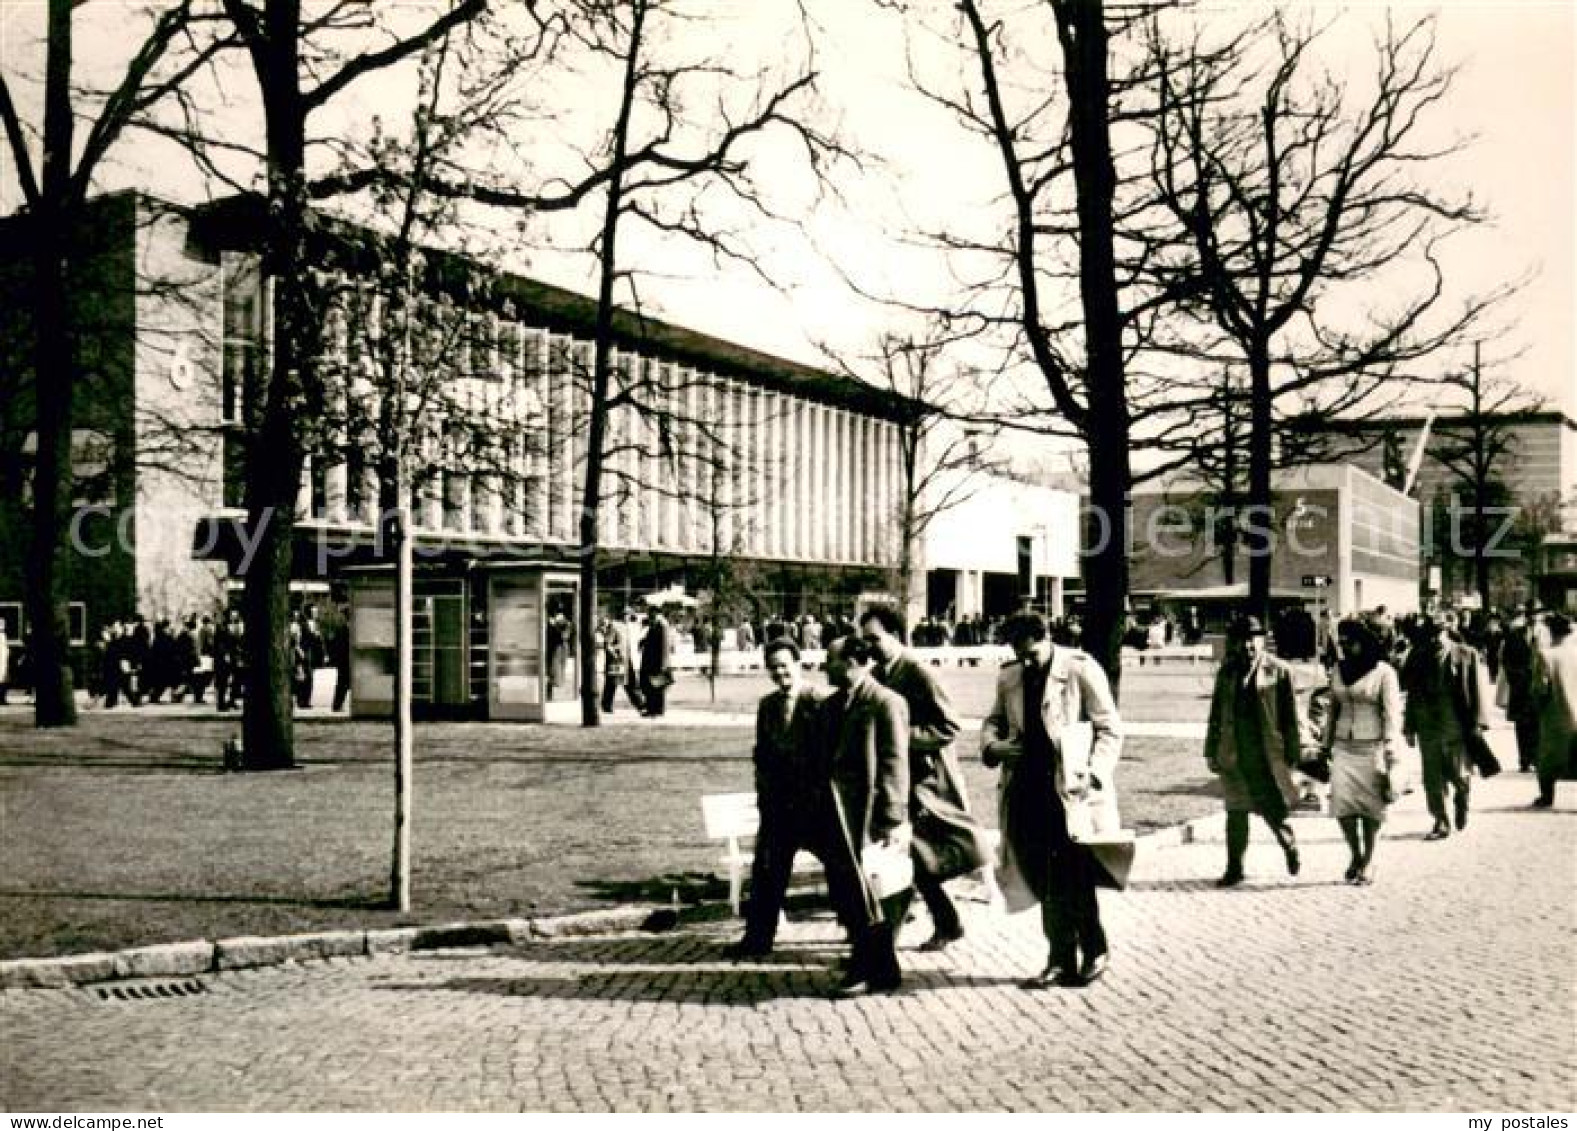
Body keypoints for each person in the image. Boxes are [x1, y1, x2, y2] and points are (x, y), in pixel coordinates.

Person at [982, 611, 1122, 989]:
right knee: (1043, 878)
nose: (1026, 661)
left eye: (1031, 653)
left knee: (1075, 873)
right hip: (1027, 789)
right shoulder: (1010, 675)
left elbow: (1109, 727)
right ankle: (1059, 957)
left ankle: (1095, 949)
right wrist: (994, 746)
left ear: (1045, 639)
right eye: (1018, 652)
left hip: (1070, 791)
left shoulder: (1079, 668)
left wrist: (1094, 772)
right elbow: (994, 720)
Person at [858, 604, 991, 952]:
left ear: (895, 635)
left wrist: (901, 738)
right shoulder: (878, 674)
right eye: (865, 639)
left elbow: (948, 725)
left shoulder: (917, 672)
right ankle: (945, 921)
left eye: (874, 638)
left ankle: (891, 941)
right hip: (898, 780)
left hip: (926, 780)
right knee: (914, 856)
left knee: (916, 854)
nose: (868, 646)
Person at [819, 633, 911, 997]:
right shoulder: (831, 706)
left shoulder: (885, 703)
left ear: (854, 662)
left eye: (832, 660)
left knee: (872, 891)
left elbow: (895, 763)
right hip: (837, 817)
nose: (825, 666)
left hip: (870, 817)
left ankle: (865, 965)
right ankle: (883, 969)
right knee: (847, 890)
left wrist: (891, 816)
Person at [724, 638, 828, 958]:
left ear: (798, 664)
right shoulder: (767, 706)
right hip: (779, 810)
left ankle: (868, 939)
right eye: (773, 668)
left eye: (784, 665)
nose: (780, 673)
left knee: (843, 874)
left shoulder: (821, 701)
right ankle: (757, 940)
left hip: (816, 809)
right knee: (766, 872)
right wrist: (765, 796)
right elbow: (762, 755)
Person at [1202, 614, 1304, 886]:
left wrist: (1293, 752)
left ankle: (1289, 846)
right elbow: (1215, 714)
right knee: (1235, 813)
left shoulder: (1279, 671)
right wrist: (1210, 749)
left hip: (1264, 755)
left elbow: (1290, 717)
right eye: (1243, 639)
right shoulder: (1228, 671)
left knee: (1272, 809)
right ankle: (1234, 868)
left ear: (1262, 640)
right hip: (1233, 752)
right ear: (1235, 642)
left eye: (1253, 639)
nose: (1248, 645)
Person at [1320, 619, 1404, 884]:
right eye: (1341, 642)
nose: (1345, 648)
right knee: (1342, 807)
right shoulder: (1338, 669)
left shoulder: (1384, 673)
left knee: (1371, 809)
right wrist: (1325, 744)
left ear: (1363, 641)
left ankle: (1369, 860)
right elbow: (1332, 710)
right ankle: (1354, 854)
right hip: (1344, 748)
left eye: (1350, 642)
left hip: (1372, 746)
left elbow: (1392, 714)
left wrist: (1390, 748)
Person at [1400, 610, 1491, 840]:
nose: (1435, 639)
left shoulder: (1466, 654)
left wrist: (1480, 722)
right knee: (1432, 774)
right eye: (1430, 633)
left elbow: (1478, 690)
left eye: (1439, 633)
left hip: (1455, 721)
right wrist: (1409, 726)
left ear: (1447, 632)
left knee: (1459, 772)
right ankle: (1440, 819)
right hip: (1426, 722)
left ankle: (1462, 797)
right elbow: (1411, 693)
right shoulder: (1417, 656)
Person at [1529, 612, 1576, 809]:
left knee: (1549, 757)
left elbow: (1540, 689)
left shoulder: (1546, 656)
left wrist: (1537, 707)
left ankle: (1547, 796)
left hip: (1556, 714)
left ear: (1551, 632)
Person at [1499, 610, 1542, 773]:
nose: (1534, 623)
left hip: (1538, 690)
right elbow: (1506, 661)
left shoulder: (1545, 638)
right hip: (1520, 688)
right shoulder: (1513, 637)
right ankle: (1524, 760)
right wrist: (1518, 677)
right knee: (1522, 726)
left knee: (1538, 725)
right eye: (1532, 619)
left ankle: (1537, 758)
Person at [639, 607, 673, 717]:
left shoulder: (662, 625)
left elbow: (664, 645)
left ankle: (658, 709)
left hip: (658, 662)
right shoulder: (654, 625)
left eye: (650, 613)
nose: (649, 615)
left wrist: (663, 664)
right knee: (650, 687)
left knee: (658, 687)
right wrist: (643, 642)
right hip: (651, 662)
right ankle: (652, 708)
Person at [597, 614, 627, 715]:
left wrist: (614, 655)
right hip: (618, 659)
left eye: (603, 621)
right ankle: (607, 705)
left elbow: (607, 644)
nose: (602, 623)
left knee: (611, 683)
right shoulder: (617, 626)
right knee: (612, 683)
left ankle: (606, 705)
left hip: (615, 660)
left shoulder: (611, 628)